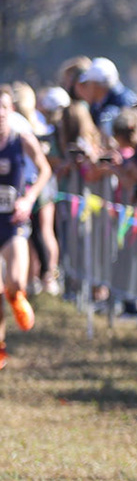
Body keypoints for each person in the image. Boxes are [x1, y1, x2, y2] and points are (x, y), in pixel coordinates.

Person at [0, 88, 49, 368]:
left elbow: (45, 170)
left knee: (15, 282)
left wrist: (29, 198)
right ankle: (0, 348)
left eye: (3, 108)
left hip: (13, 223)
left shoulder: (21, 139)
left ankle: (17, 297)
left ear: (10, 111)